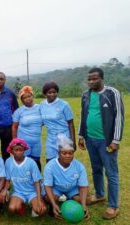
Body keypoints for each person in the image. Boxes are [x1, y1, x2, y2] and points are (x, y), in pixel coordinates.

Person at [78, 67, 124, 220]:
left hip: (107, 141)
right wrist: (81, 136)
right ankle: (99, 195)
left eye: (94, 79)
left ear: (102, 78)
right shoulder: (85, 95)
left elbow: (119, 117)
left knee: (111, 172)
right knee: (96, 169)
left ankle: (113, 206)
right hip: (91, 140)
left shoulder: (113, 93)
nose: (91, 82)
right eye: (89, 79)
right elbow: (84, 116)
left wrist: (116, 140)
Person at [44, 134, 90, 220]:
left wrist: (83, 206)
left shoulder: (79, 166)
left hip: (72, 188)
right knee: (49, 198)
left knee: (85, 200)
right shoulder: (50, 166)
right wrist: (53, 205)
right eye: (64, 153)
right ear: (58, 153)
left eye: (70, 153)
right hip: (56, 188)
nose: (68, 156)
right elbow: (48, 186)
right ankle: (56, 203)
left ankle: (69, 198)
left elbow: (83, 186)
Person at [0, 138, 47, 217]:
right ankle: (21, 205)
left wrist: (39, 199)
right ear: (11, 151)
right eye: (16, 150)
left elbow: (37, 182)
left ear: (24, 150)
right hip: (18, 192)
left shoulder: (31, 162)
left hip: (32, 192)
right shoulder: (8, 162)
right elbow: (7, 180)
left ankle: (34, 206)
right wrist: (4, 190)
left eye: (21, 150)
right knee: (11, 208)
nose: (18, 152)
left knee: (41, 210)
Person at [40, 81, 76, 162]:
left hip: (64, 137)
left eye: (54, 92)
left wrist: (73, 142)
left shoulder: (64, 105)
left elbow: (71, 123)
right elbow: (41, 121)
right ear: (45, 94)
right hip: (50, 138)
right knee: (50, 161)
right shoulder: (42, 105)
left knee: (64, 161)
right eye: (49, 92)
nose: (52, 94)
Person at [12, 85, 43, 171]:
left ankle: (37, 181)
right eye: (24, 98)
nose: (28, 99)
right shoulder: (18, 111)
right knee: (25, 162)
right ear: (22, 100)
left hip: (37, 141)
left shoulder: (40, 108)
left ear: (32, 96)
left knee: (36, 161)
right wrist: (14, 141)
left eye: (29, 96)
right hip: (24, 142)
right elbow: (14, 126)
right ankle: (25, 182)